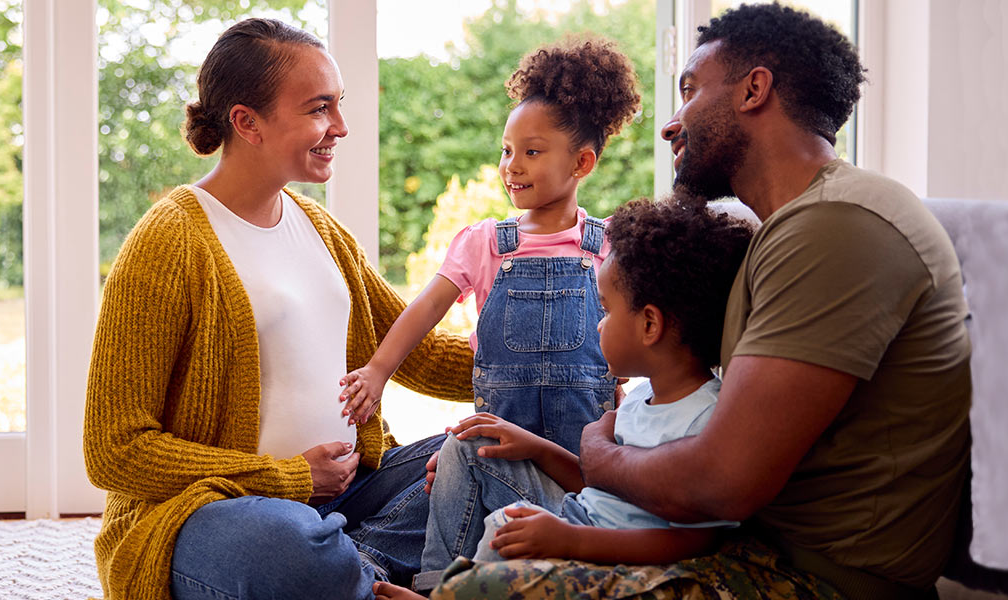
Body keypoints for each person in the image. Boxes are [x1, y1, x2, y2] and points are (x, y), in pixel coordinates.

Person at [427, 4, 973, 599]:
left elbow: (720, 482)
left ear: (753, 90)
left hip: (812, 578)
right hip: (757, 544)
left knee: (480, 591)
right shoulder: (785, 228)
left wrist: (598, 450)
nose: (671, 123)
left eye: (689, 91)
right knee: (466, 479)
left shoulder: (837, 225)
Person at [83, 18, 473, 600]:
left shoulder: (320, 228)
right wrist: (288, 478)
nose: (340, 127)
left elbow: (412, 349)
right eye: (319, 109)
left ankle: (353, 571)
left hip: (354, 494)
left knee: (488, 456)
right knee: (286, 546)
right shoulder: (169, 240)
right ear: (247, 122)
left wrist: (568, 367)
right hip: (220, 514)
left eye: (338, 106)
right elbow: (113, 451)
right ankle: (350, 570)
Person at [370, 197, 756, 599]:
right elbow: (601, 483)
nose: (600, 323)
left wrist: (571, 541)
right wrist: (535, 448)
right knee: (472, 442)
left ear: (649, 324)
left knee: (507, 525)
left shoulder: (706, 419)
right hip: (580, 515)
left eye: (605, 309)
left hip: (605, 547)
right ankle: (436, 585)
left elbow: (695, 543)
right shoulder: (642, 400)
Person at [338, 36, 643, 455]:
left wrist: (617, 370)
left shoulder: (608, 245)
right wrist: (377, 371)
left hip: (585, 458)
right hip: (497, 454)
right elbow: (425, 308)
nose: (511, 165)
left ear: (581, 163)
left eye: (531, 152)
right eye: (506, 150)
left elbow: (642, 326)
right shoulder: (484, 244)